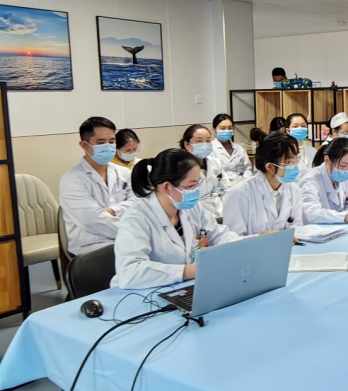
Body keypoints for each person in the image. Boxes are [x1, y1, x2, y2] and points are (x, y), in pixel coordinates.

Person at [112, 148, 244, 289]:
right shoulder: (136, 218)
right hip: (143, 291)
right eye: (191, 186)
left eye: (198, 183)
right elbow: (129, 272)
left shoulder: (191, 207)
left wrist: (243, 246)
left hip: (183, 286)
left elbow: (218, 235)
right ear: (167, 187)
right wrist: (190, 271)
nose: (196, 191)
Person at [59, 117, 136, 256]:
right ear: (84, 145)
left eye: (111, 141)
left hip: (127, 240)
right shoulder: (72, 180)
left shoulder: (124, 172)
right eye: (101, 142)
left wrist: (113, 210)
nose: (108, 146)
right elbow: (92, 219)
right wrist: (136, 231)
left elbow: (139, 203)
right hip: (93, 248)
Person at [224, 128, 303, 236]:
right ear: (270, 167)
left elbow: (297, 228)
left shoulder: (294, 190)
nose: (295, 165)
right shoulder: (240, 194)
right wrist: (261, 237)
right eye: (290, 161)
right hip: (253, 248)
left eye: (296, 159)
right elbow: (231, 240)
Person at [180, 124, 229, 219]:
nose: (205, 144)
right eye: (199, 141)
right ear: (187, 145)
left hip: (221, 212)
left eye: (208, 140)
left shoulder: (215, 163)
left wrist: (227, 209)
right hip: (197, 215)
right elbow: (183, 199)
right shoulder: (181, 168)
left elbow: (225, 189)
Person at [210, 113, 253, 181]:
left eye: (230, 128)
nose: (227, 131)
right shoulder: (210, 149)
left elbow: (247, 168)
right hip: (221, 185)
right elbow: (211, 174)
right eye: (223, 128)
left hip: (240, 184)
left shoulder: (239, 149)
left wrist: (244, 181)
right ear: (214, 130)